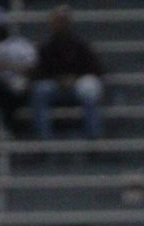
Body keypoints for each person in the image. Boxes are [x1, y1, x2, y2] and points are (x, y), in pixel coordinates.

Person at [29, 5, 103, 140]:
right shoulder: (47, 47)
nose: (59, 25)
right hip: (55, 87)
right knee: (39, 91)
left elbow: (96, 70)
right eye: (56, 21)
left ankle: (94, 137)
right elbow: (38, 72)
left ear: (68, 23)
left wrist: (75, 79)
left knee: (89, 91)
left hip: (77, 86)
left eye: (62, 21)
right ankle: (43, 139)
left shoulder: (80, 45)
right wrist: (58, 79)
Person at [0, 8, 37, 135]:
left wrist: (8, 66)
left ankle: (8, 128)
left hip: (17, 88)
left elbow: (32, 68)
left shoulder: (19, 44)